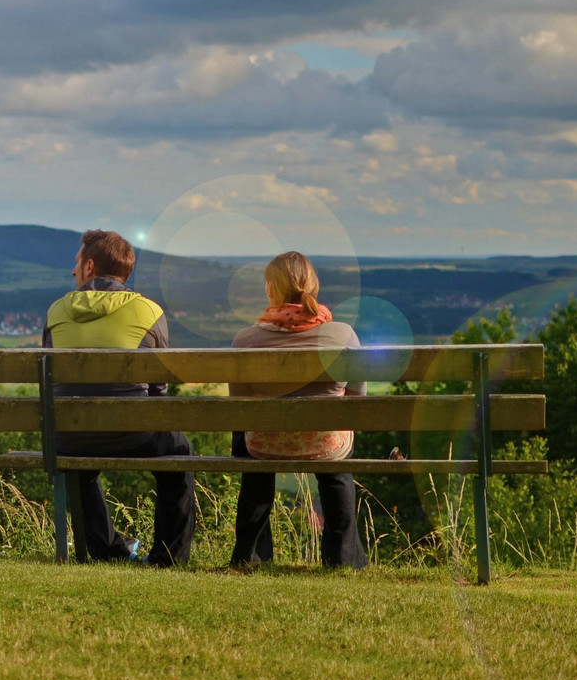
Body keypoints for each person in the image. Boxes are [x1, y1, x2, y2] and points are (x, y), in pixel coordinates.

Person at [42, 229, 195, 566]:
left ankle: (106, 550)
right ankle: (168, 556)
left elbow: (53, 386)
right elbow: (158, 392)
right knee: (179, 452)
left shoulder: (56, 312)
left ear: (90, 266)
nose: (73, 270)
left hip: (70, 436)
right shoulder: (149, 312)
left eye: (77, 263)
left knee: (79, 451)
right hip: (135, 433)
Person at [227, 250, 368, 569]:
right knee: (337, 458)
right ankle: (344, 560)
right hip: (326, 445)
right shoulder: (343, 334)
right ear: (313, 286)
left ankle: (250, 555)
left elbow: (240, 406)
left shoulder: (246, 339)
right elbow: (358, 401)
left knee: (245, 438)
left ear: (269, 289)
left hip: (264, 446)